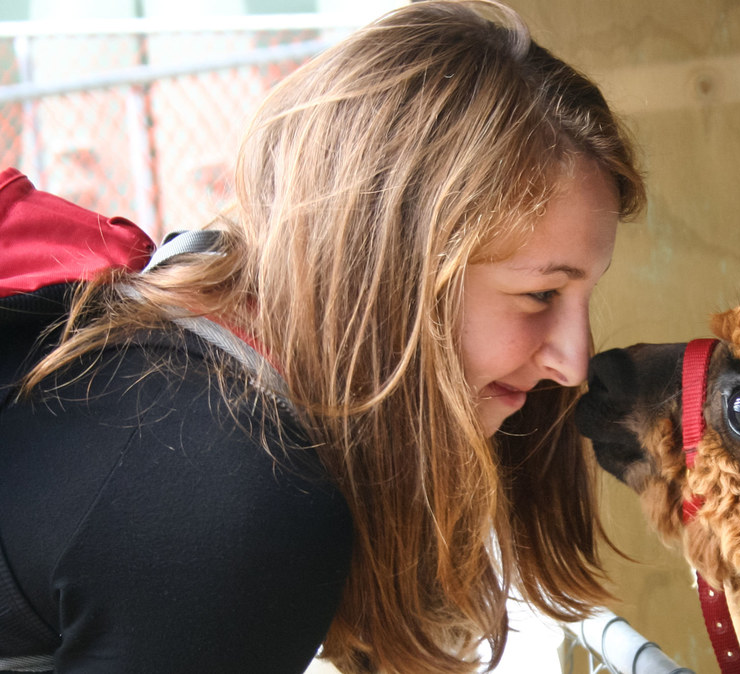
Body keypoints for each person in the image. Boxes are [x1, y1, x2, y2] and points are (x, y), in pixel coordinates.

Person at [0, 1, 644, 672]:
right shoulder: (236, 498)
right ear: (388, 265)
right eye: (540, 294)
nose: (574, 364)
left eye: (583, 297)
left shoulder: (187, 348)